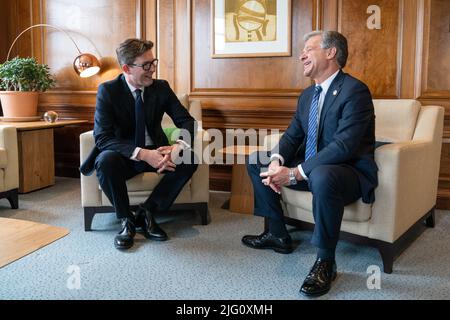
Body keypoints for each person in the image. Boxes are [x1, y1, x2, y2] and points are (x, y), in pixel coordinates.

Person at [242, 30, 378, 297]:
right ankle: (278, 235)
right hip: (313, 170)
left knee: (322, 175)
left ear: (331, 53)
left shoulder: (355, 91)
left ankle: (326, 260)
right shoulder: (307, 96)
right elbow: (293, 135)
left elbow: (344, 146)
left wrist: (294, 173)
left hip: (347, 173)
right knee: (256, 160)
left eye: (308, 49)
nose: (301, 55)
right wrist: (276, 162)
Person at [81, 38, 198, 250]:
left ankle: (148, 213)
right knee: (105, 160)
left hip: (158, 152)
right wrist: (143, 154)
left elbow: (187, 121)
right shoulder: (108, 91)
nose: (152, 69)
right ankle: (126, 220)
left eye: (154, 63)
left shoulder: (161, 88)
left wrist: (178, 146)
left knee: (190, 158)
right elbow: (103, 138)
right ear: (126, 68)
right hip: (124, 156)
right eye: (146, 65)